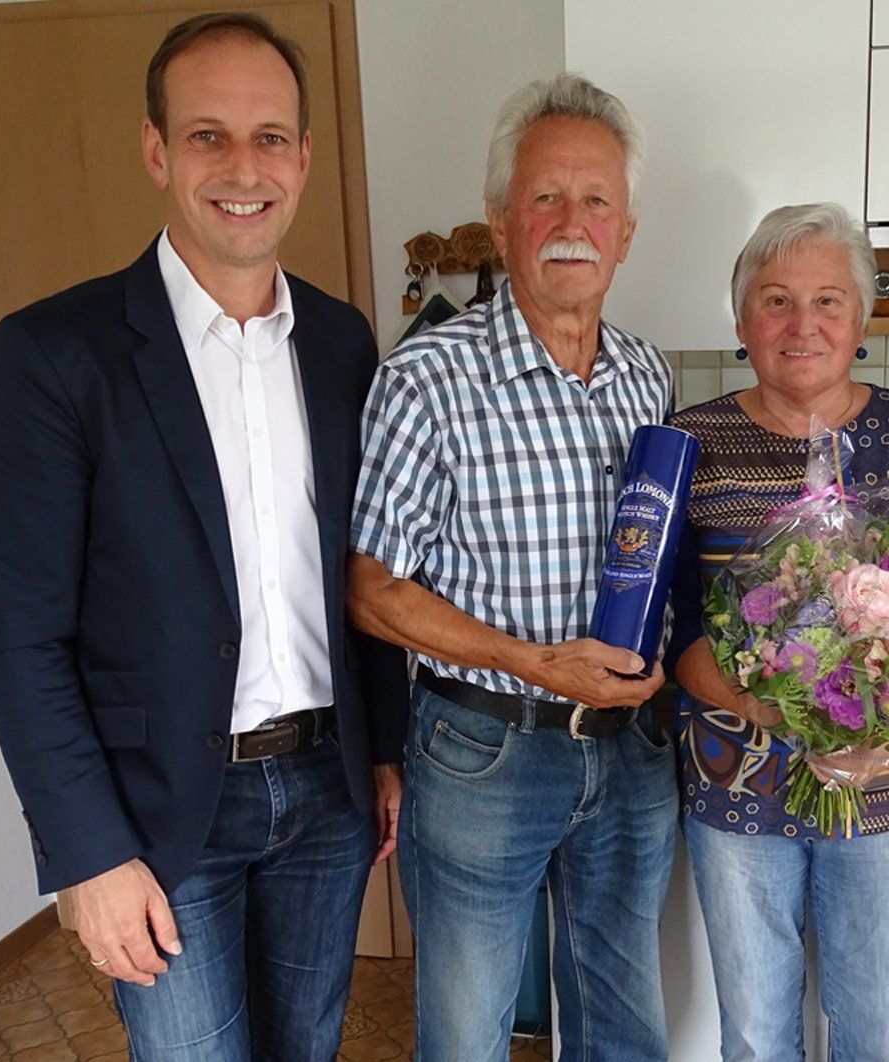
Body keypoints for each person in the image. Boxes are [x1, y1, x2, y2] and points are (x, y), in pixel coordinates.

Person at [0, 13, 407, 1059]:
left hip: (326, 788)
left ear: (302, 157)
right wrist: (86, 853)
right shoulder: (51, 355)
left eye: (269, 137)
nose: (243, 168)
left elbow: (365, 566)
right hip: (157, 811)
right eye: (209, 135)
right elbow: (20, 639)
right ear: (157, 150)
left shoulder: (343, 342)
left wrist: (384, 748)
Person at [346, 74, 676, 1062]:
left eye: (596, 201)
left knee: (622, 1020)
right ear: (500, 220)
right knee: (466, 1031)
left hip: (632, 748)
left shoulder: (646, 372)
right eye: (545, 198)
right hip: (485, 750)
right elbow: (371, 589)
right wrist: (533, 662)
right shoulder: (425, 378)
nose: (571, 223)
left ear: (626, 231)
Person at [667, 202, 889, 1062]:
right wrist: (772, 709)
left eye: (827, 301)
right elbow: (667, 620)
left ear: (861, 320)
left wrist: (883, 732)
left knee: (878, 1032)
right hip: (731, 786)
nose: (801, 325)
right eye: (774, 301)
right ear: (740, 321)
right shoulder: (691, 440)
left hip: (882, 792)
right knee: (754, 1035)